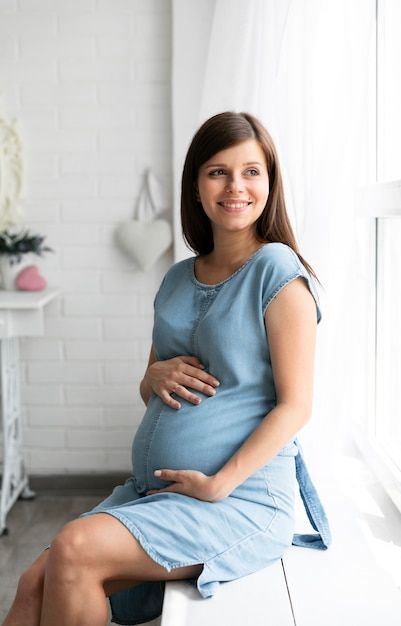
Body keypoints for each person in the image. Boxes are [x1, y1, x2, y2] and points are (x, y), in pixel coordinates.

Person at [2, 111, 331, 626]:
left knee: (73, 548)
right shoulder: (179, 278)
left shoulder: (278, 273)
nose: (235, 186)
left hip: (237, 499)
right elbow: (154, 387)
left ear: (270, 182)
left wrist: (221, 482)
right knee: (32, 586)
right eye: (218, 172)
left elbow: (296, 406)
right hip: (156, 493)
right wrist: (150, 378)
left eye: (251, 171)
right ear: (196, 186)